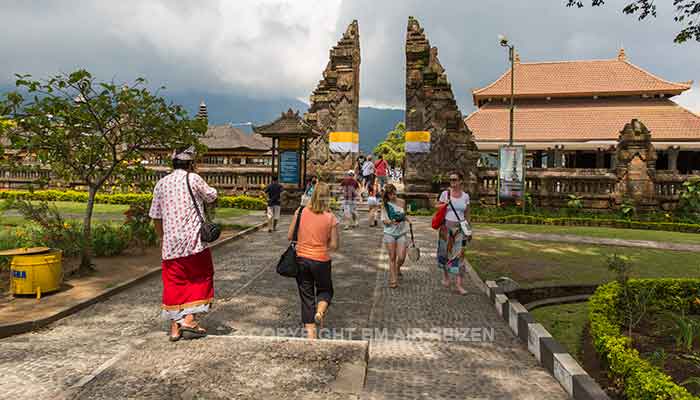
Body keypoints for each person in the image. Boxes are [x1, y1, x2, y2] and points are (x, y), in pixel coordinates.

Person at [149, 146, 218, 342]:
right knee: (200, 277)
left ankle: (174, 328)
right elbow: (212, 196)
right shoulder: (193, 179)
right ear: (190, 163)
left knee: (174, 283)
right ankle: (189, 320)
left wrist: (162, 238)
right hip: (194, 241)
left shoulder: (161, 184)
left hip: (170, 244)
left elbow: (155, 216)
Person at [287, 183, 339, 339]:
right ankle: (320, 312)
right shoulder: (331, 217)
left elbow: (290, 236)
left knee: (307, 297)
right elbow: (335, 246)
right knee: (325, 290)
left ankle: (311, 337)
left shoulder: (300, 212)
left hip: (301, 259)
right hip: (321, 259)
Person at [436, 172, 472, 295]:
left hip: (460, 229)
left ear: (461, 181)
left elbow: (467, 214)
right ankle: (446, 276)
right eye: (451, 179)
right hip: (446, 227)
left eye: (455, 179)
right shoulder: (445, 194)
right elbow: (437, 207)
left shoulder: (465, 196)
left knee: (459, 256)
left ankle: (459, 284)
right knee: (444, 253)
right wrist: (444, 204)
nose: (452, 182)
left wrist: (469, 230)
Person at [381, 184, 410, 289]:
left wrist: (407, 219)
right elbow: (384, 219)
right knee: (392, 256)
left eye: (394, 193)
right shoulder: (385, 204)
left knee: (402, 256)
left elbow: (404, 214)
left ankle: (398, 268)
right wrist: (390, 222)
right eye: (390, 194)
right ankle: (393, 279)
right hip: (389, 232)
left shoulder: (402, 202)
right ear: (387, 195)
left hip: (401, 232)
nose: (392, 196)